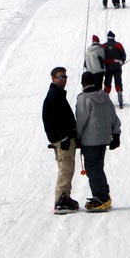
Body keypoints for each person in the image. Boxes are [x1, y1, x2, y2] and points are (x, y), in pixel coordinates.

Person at [76, 71, 121, 211]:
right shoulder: (105, 97)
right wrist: (116, 134)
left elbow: (81, 121)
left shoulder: (84, 98)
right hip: (103, 139)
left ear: (83, 83)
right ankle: (104, 195)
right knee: (98, 168)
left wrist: (77, 137)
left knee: (92, 170)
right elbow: (114, 117)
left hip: (90, 141)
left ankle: (100, 197)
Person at [42, 66, 79, 213]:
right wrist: (62, 137)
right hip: (62, 141)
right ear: (53, 78)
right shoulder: (54, 96)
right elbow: (51, 120)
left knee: (67, 168)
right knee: (65, 169)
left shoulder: (58, 94)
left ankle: (65, 198)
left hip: (64, 139)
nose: (63, 79)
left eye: (65, 77)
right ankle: (61, 201)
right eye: (60, 77)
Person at [103, 31, 127, 108]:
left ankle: (105, 100)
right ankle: (120, 98)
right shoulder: (118, 45)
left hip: (107, 68)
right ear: (114, 37)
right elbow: (123, 54)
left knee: (107, 83)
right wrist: (122, 61)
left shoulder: (103, 46)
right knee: (118, 82)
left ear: (107, 37)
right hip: (117, 67)